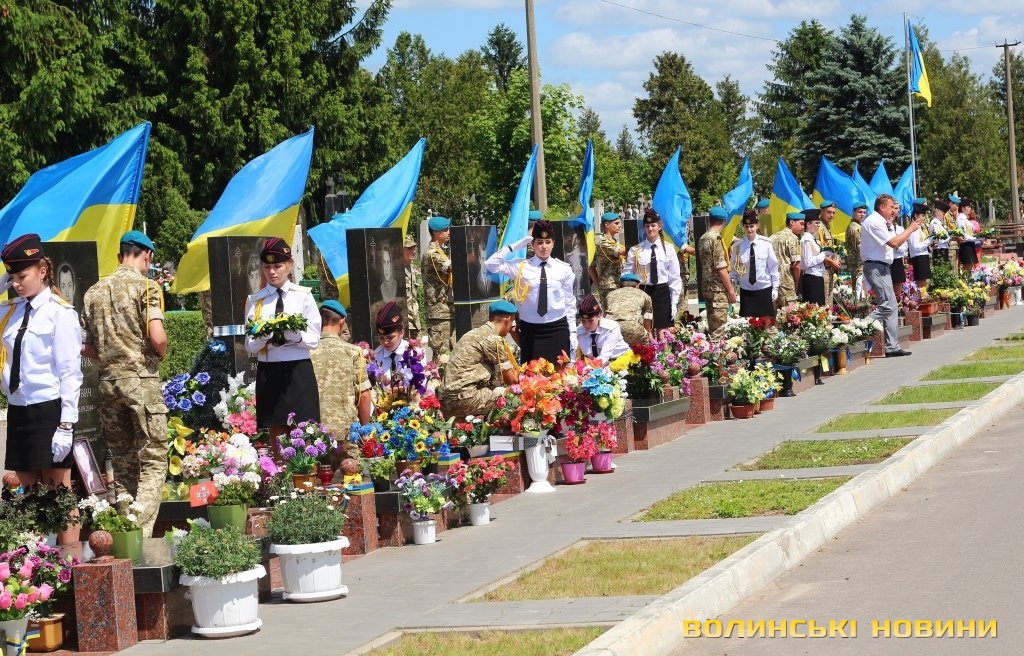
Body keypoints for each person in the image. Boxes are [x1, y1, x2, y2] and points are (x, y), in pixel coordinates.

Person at [81, 230, 167, 537]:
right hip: (141, 382)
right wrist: (160, 353)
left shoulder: (93, 292)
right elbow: (157, 336)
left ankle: (123, 532)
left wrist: (109, 356)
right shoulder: (147, 286)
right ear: (147, 255)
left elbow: (84, 345)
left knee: (123, 461)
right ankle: (138, 531)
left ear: (120, 256)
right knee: (154, 459)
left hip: (108, 384)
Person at [1, 235, 82, 542]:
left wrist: (66, 425)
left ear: (43, 271)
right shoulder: (10, 310)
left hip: (49, 409)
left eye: (22, 276)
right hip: (19, 408)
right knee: (27, 495)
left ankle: (71, 558)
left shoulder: (60, 312)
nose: (17, 284)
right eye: (12, 278)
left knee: (58, 493)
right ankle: (36, 562)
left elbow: (70, 373)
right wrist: (3, 282)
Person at [244, 237, 321, 441]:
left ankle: (304, 464)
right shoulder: (256, 301)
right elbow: (249, 345)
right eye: (267, 267)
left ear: (289, 266)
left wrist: (297, 336)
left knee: (304, 431)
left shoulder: (303, 296)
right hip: (269, 370)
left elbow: (314, 339)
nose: (272, 272)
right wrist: (263, 337)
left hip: (298, 369)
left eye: (277, 266)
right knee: (277, 432)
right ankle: (279, 463)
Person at [486, 219, 577, 365]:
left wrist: (572, 332)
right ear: (532, 244)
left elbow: (569, 302)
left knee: (561, 374)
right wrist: (514, 247)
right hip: (531, 330)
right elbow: (491, 264)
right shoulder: (521, 266)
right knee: (532, 375)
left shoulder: (563, 268)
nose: (544, 246)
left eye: (547, 242)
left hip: (557, 327)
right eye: (539, 242)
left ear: (553, 243)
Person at [862, 194, 923, 357]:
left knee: (892, 305)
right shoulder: (874, 222)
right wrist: (910, 229)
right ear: (882, 207)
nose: (893, 211)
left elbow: (895, 243)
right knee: (887, 305)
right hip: (875, 266)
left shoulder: (882, 222)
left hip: (882, 266)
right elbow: (894, 243)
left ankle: (892, 346)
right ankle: (860, 326)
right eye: (891, 207)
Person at [438, 300, 519, 420]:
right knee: (515, 396)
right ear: (508, 319)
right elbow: (512, 380)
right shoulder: (493, 340)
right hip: (465, 399)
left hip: (445, 398)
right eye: (512, 321)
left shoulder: (474, 333)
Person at [311, 300, 371, 462]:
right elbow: (364, 395)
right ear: (342, 321)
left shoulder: (306, 352)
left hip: (314, 435)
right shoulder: (353, 351)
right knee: (351, 474)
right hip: (346, 433)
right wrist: (366, 431)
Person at [625, 208, 682, 335]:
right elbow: (626, 275)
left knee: (663, 334)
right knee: (647, 333)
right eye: (647, 226)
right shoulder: (636, 250)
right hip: (643, 292)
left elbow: (674, 278)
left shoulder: (668, 249)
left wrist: (674, 302)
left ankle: (663, 349)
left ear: (659, 226)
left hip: (662, 293)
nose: (650, 229)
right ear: (644, 228)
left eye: (653, 225)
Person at [730, 210, 780, 318]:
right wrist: (733, 287)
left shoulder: (766, 244)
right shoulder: (738, 246)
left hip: (764, 288)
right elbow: (734, 269)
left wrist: (775, 288)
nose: (749, 229)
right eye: (746, 226)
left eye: (752, 226)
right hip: (746, 290)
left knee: (766, 322)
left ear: (757, 226)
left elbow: (773, 267)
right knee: (748, 322)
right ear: (743, 227)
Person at [696, 206, 737, 335]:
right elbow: (721, 268)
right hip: (718, 289)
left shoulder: (703, 238)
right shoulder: (716, 239)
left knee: (713, 328)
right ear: (724, 221)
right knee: (719, 330)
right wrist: (731, 290)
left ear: (710, 220)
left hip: (707, 287)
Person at [421, 216, 454, 356]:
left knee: (451, 353)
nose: (448, 232)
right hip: (439, 311)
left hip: (446, 309)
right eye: (445, 230)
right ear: (435, 232)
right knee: (442, 355)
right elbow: (451, 267)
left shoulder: (440, 251)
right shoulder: (432, 254)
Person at [576, 294, 630, 363]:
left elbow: (604, 356)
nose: (586, 325)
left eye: (590, 320)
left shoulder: (611, 328)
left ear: (599, 316)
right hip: (595, 364)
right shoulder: (579, 332)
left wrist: (589, 368)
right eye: (583, 321)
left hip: (621, 361)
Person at [605, 273, 654, 347]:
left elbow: (606, 314)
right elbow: (648, 317)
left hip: (611, 329)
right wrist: (648, 334)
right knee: (644, 350)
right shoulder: (644, 295)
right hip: (633, 327)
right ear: (637, 285)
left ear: (620, 285)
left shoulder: (610, 295)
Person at [800, 212, 837, 306]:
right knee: (814, 309)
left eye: (819, 223)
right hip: (811, 277)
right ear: (808, 224)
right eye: (816, 223)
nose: (818, 225)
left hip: (817, 276)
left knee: (820, 308)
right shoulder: (806, 240)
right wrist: (823, 255)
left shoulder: (812, 239)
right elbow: (807, 263)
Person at [589, 212, 626, 306]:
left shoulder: (614, 242)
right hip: (609, 287)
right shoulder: (604, 244)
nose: (619, 225)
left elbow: (591, 268)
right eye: (616, 223)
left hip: (618, 285)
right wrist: (599, 286)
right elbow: (623, 251)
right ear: (607, 225)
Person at [772, 212, 804, 308]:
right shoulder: (793, 239)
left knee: (774, 314)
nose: (803, 227)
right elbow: (796, 266)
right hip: (787, 282)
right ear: (792, 222)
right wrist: (796, 284)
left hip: (772, 281)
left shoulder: (772, 237)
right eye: (801, 223)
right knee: (790, 314)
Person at [372, 300, 411, 377]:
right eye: (381, 338)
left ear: (402, 332)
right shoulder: (376, 356)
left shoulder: (413, 353)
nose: (385, 342)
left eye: (390, 337)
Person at [817, 201, 843, 307]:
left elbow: (830, 248)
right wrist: (832, 262)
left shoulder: (827, 226)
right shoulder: (819, 227)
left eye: (833, 213)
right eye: (829, 212)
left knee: (829, 300)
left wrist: (836, 259)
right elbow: (819, 251)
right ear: (821, 212)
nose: (831, 215)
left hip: (830, 269)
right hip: (822, 269)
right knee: (824, 302)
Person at [907, 199, 934, 297]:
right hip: (918, 258)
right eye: (922, 215)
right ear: (916, 216)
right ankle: (922, 298)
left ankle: (923, 296)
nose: (924, 218)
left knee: (924, 282)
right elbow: (916, 247)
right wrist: (929, 241)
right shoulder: (914, 230)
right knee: (921, 282)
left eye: (924, 215)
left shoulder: (919, 229)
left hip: (922, 256)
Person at [846, 203, 867, 298]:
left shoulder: (859, 225)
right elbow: (860, 248)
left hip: (860, 264)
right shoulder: (854, 228)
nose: (862, 214)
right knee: (860, 294)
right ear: (853, 212)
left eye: (864, 212)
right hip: (858, 265)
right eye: (860, 212)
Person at [403, 234, 421, 340]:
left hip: (414, 320)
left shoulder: (413, 268)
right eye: (410, 248)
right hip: (403, 321)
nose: (414, 251)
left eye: (414, 248)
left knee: (417, 348)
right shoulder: (396, 271)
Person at [887, 210, 908, 302]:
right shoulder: (882, 228)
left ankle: (898, 304)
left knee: (897, 285)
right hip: (886, 260)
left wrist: (896, 247)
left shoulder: (899, 229)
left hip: (897, 259)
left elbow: (905, 245)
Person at [956, 199, 978, 271]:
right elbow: (963, 234)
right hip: (965, 244)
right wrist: (975, 238)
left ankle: (968, 277)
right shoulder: (961, 219)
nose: (970, 209)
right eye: (968, 207)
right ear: (962, 208)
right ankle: (966, 277)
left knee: (970, 264)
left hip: (970, 243)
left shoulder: (965, 219)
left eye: (970, 207)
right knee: (967, 265)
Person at [930, 199, 951, 263]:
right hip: (939, 250)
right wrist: (949, 236)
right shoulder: (935, 223)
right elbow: (939, 239)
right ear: (937, 212)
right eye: (943, 214)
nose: (943, 216)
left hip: (943, 249)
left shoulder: (939, 223)